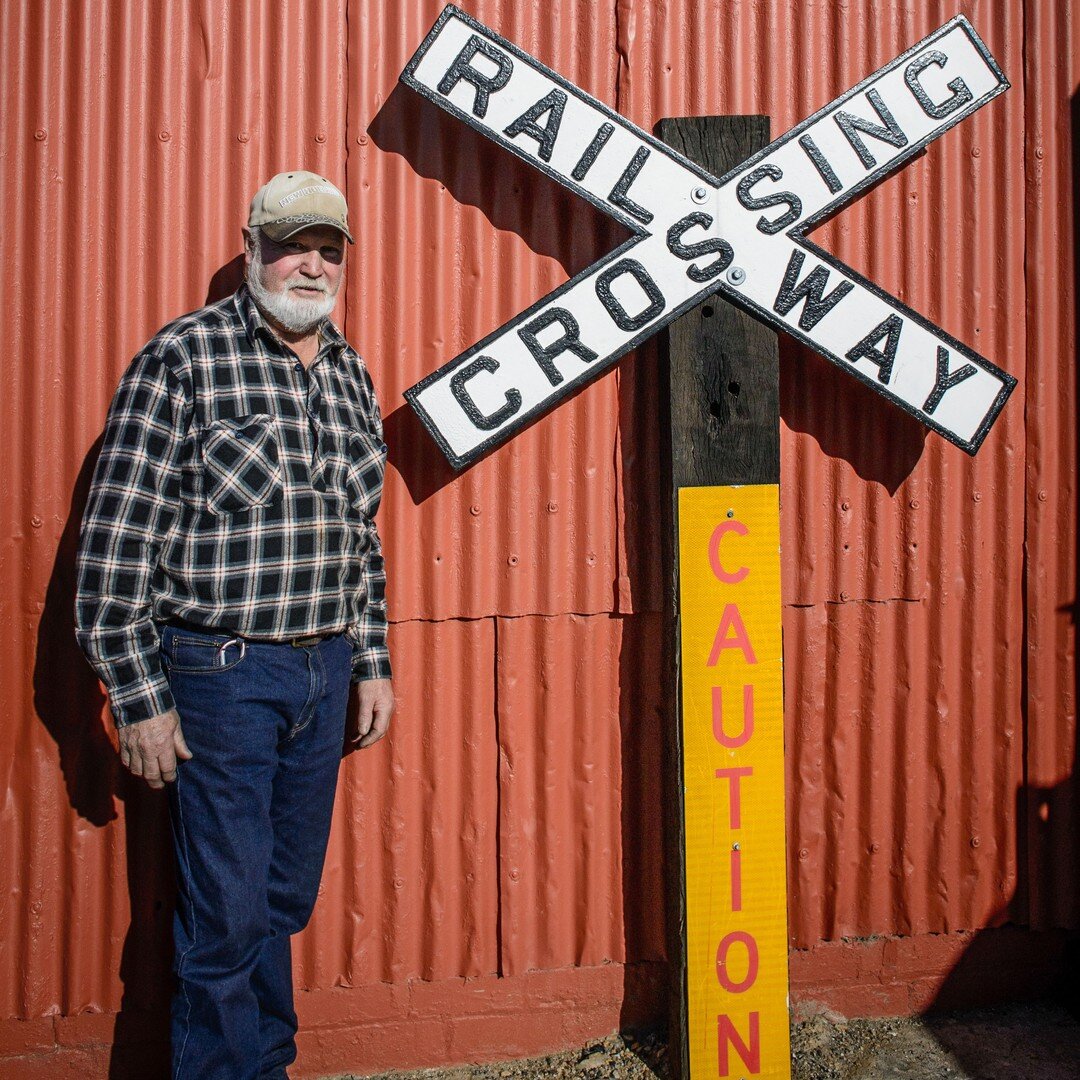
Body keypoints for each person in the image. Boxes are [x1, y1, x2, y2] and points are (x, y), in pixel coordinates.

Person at [75, 170, 394, 1079]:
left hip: (322, 671)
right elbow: (114, 540)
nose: (313, 265)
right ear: (252, 248)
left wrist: (371, 660)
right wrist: (138, 699)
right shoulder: (184, 359)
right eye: (295, 245)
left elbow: (358, 537)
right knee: (223, 913)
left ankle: (267, 1064)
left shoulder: (350, 374)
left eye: (329, 250)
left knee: (279, 903)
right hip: (219, 673)